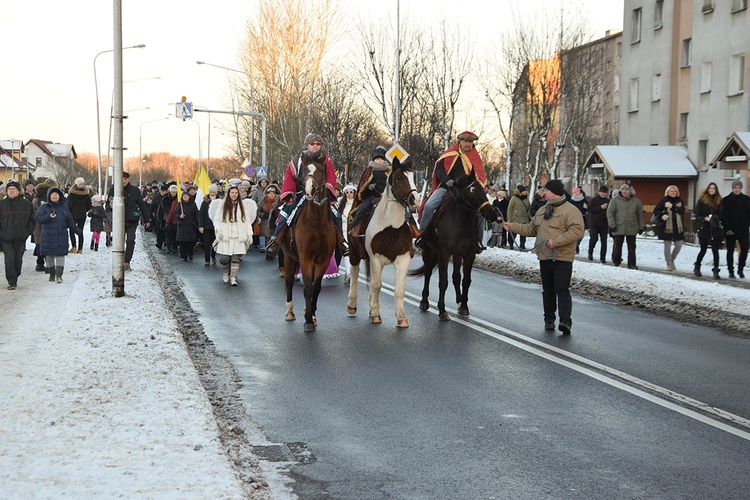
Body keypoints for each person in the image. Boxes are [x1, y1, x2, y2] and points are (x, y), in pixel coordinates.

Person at [503, 179, 584, 334]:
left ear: (554, 192)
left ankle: (565, 322)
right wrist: (512, 226)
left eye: (546, 190)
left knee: (562, 289)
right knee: (548, 290)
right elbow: (531, 229)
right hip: (545, 257)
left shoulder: (571, 210)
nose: (543, 192)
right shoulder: (542, 210)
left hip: (562, 257)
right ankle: (549, 320)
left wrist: (556, 242)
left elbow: (576, 231)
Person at [265, 133, 348, 257]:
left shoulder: (326, 160)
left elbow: (331, 175)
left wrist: (328, 187)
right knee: (285, 213)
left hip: (320, 193)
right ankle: (276, 241)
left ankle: (342, 242)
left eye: (318, 144)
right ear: (307, 145)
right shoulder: (298, 159)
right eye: (312, 143)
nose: (315, 146)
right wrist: (290, 192)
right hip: (300, 193)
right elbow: (290, 175)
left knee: (336, 214)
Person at [416, 130, 487, 253]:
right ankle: (423, 236)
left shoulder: (475, 157)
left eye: (470, 142)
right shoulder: (450, 153)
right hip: (447, 187)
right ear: (460, 141)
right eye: (466, 141)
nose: (468, 144)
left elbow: (478, 176)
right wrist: (447, 180)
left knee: (481, 212)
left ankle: (477, 241)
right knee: (429, 206)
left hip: (464, 190)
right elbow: (439, 169)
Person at [212, 184, 257, 286]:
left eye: (236, 193)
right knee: (224, 258)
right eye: (232, 192)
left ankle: (233, 277)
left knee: (236, 258)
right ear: (228, 193)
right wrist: (218, 229)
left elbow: (247, 220)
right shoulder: (222, 204)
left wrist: (249, 233)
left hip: (238, 236)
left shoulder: (242, 205)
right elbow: (216, 218)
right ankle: (225, 272)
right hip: (225, 235)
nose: (234, 194)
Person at [35, 187, 81, 283]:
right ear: (49, 196)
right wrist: (48, 217)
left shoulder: (64, 207)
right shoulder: (44, 207)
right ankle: (52, 274)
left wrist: (77, 230)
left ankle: (59, 276)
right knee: (49, 256)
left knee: (60, 255)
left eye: (57, 194)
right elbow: (38, 219)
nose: (55, 196)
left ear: (60, 196)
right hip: (48, 236)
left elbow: (70, 220)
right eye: (53, 194)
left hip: (61, 235)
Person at [108, 171, 150, 271]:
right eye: (121, 179)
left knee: (130, 241)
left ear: (128, 179)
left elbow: (142, 205)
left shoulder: (135, 190)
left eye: (125, 179)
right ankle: (119, 261)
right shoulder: (113, 189)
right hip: (118, 220)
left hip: (131, 220)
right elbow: (107, 204)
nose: (123, 181)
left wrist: (146, 220)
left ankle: (127, 261)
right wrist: (110, 207)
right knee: (119, 242)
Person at [0, 181, 35, 290]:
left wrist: (27, 232)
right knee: (9, 259)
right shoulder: (2, 204)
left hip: (20, 238)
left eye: (13, 189)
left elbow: (32, 220)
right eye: (9, 189)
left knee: (18, 259)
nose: (11, 191)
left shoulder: (26, 204)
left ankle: (15, 275)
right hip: (6, 238)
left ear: (18, 191)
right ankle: (11, 281)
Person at [349, 147, 392, 236]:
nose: (379, 161)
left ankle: (412, 228)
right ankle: (355, 227)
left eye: (381, 159)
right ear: (374, 160)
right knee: (362, 210)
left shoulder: (389, 171)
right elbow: (362, 187)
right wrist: (369, 187)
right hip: (372, 197)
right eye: (377, 159)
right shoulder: (369, 171)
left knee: (403, 209)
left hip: (387, 197)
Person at [606, 183, 645, 269]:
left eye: (626, 189)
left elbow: (640, 215)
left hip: (632, 227)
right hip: (618, 226)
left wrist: (641, 226)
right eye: (623, 189)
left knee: (632, 247)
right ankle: (616, 261)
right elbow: (610, 213)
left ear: (630, 191)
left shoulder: (636, 202)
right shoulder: (615, 201)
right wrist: (612, 224)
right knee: (617, 246)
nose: (624, 191)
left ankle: (632, 264)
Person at [693, 182, 724, 279]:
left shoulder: (719, 201)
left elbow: (722, 214)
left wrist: (717, 218)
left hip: (714, 229)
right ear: (707, 189)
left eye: (714, 188)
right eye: (710, 188)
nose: (712, 190)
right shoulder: (702, 201)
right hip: (704, 228)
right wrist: (705, 218)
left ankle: (716, 270)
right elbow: (697, 215)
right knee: (703, 249)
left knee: (715, 250)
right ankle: (697, 266)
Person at [652, 185, 686, 271]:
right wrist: (662, 215)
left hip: (678, 227)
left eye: (674, 191)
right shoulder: (664, 200)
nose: (673, 193)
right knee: (667, 246)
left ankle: (672, 260)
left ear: (677, 192)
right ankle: (668, 264)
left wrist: (672, 207)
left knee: (679, 245)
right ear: (668, 192)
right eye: (671, 191)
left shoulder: (680, 201)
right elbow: (656, 210)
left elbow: (682, 211)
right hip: (666, 226)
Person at [722, 180, 750, 279]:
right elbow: (724, 216)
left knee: (745, 249)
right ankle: (731, 270)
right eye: (735, 188)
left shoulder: (746, 199)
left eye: (739, 187)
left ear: (741, 188)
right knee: (730, 250)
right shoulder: (726, 200)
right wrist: (727, 228)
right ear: (732, 188)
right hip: (730, 230)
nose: (737, 189)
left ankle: (741, 268)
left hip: (743, 229)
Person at [66, 177, 91, 254]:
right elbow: (89, 206)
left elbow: (69, 205)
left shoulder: (72, 194)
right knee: (80, 231)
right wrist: (84, 210)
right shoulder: (86, 194)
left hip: (73, 215)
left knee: (72, 230)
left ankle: (74, 246)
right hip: (82, 215)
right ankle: (80, 249)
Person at [338, 183, 357, 282]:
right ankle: (349, 274)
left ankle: (350, 272)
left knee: (353, 253)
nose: (349, 194)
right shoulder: (340, 204)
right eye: (347, 192)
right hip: (343, 231)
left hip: (354, 232)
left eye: (351, 192)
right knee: (347, 252)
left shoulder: (357, 204)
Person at [174, 190, 199, 262]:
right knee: (182, 242)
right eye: (184, 196)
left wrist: (197, 223)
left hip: (191, 225)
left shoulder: (193, 204)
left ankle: (190, 254)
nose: (185, 197)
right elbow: (175, 213)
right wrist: (180, 216)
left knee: (190, 242)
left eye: (186, 196)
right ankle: (183, 256)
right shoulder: (180, 204)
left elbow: (196, 214)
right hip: (182, 225)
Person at [587, 186, 609, 263]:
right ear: (599, 192)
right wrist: (600, 207)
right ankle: (590, 252)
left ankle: (603, 258)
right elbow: (590, 209)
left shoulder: (608, 201)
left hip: (604, 224)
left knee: (604, 241)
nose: (603, 194)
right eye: (602, 192)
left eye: (605, 192)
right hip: (594, 223)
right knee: (594, 239)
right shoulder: (594, 200)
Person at [257, 184, 280, 257]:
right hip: (265, 222)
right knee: (266, 237)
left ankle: (273, 252)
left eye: (273, 193)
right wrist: (263, 215)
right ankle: (267, 251)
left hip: (275, 222)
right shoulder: (263, 201)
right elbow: (258, 211)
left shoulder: (279, 201)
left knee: (274, 237)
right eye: (270, 193)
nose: (271, 195)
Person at [198, 184, 218, 266]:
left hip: (216, 226)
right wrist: (200, 225)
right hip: (206, 226)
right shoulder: (205, 201)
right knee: (206, 244)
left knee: (215, 243)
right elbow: (201, 214)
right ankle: (207, 260)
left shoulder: (219, 201)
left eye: (214, 192)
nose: (212, 193)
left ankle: (213, 256)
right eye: (211, 192)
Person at [507, 184, 531, 250]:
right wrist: (509, 218)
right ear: (520, 191)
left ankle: (522, 245)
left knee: (523, 233)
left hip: (524, 219)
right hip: (515, 219)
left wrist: (529, 218)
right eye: (524, 191)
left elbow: (528, 209)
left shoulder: (526, 199)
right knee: (513, 233)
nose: (526, 192)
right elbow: (510, 209)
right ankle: (511, 244)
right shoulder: (514, 198)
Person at [569, 187, 588, 254]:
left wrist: (585, 209)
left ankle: (576, 245)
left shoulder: (583, 199)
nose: (576, 193)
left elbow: (586, 208)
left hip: (582, 218)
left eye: (577, 192)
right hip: (573, 219)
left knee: (581, 235)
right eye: (574, 192)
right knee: (574, 233)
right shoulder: (571, 200)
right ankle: (575, 247)